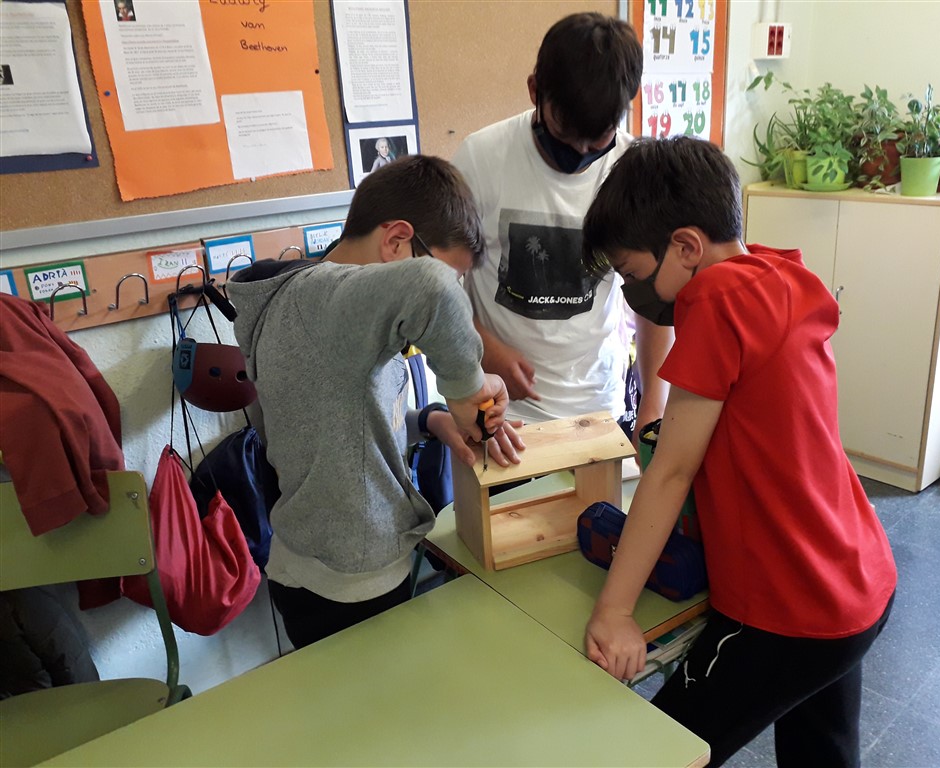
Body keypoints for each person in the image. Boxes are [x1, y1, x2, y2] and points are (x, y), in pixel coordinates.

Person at [581, 137, 898, 768]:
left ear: (687, 248)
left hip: (787, 609)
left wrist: (614, 612)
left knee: (660, 751)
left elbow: (671, 472)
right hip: (856, 581)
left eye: (632, 274)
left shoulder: (716, 296)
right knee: (822, 753)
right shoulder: (778, 276)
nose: (632, 291)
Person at [230, 155, 525, 650]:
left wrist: (432, 420)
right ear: (396, 241)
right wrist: (468, 390)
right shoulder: (321, 301)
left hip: (333, 568)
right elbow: (431, 288)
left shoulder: (329, 312)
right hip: (342, 586)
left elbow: (345, 418)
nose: (454, 290)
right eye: (453, 273)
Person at [452, 12, 673, 441]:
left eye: (598, 139)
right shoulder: (480, 159)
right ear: (535, 90)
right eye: (564, 133)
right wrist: (482, 346)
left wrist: (653, 405)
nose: (581, 153)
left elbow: (656, 302)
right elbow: (437, 286)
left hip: (599, 407)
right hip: (498, 411)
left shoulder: (633, 170)